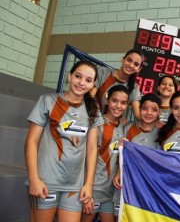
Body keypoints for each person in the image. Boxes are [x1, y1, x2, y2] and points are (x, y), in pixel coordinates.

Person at [24, 61, 104, 222]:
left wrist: (88, 184)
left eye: (88, 80)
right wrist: (34, 178)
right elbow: (31, 142)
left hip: (74, 186)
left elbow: (92, 150)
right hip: (46, 181)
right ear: (69, 76)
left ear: (93, 84)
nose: (82, 83)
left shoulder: (93, 109)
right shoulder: (47, 100)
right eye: (78, 76)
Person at [81, 85, 130, 222]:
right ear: (107, 101)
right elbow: (86, 156)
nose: (118, 106)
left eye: (123, 103)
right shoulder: (96, 123)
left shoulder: (124, 127)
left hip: (110, 192)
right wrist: (87, 187)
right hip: (93, 188)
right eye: (114, 101)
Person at [112, 93, 162, 218]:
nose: (149, 113)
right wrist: (119, 172)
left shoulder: (162, 133)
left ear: (159, 112)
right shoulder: (128, 127)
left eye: (154, 109)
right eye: (145, 108)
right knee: (119, 216)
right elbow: (122, 153)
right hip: (126, 182)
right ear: (139, 109)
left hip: (148, 186)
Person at [92, 49, 145, 121]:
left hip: (108, 124)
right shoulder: (103, 72)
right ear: (122, 60)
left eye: (136, 64)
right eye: (129, 60)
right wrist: (98, 117)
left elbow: (138, 114)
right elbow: (90, 96)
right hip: (91, 117)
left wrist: (155, 122)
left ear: (139, 69)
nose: (131, 65)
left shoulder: (134, 87)